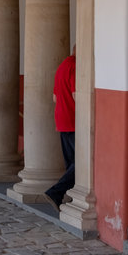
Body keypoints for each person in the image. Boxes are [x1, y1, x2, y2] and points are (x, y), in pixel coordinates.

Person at [42, 47, 76, 212]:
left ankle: (68, 197)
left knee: (71, 163)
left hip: (62, 119)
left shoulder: (62, 66)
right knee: (80, 164)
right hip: (74, 120)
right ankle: (56, 192)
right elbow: (77, 94)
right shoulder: (75, 66)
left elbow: (55, 97)